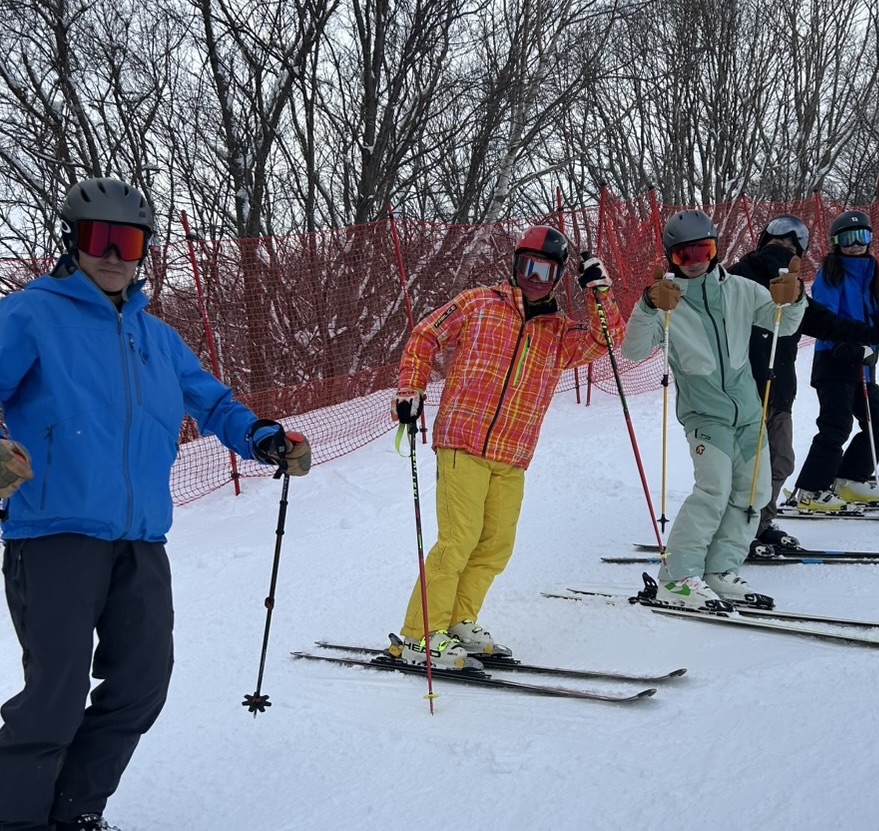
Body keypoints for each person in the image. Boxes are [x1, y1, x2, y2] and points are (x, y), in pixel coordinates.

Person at [0, 177, 311, 831]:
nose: (113, 252)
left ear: (143, 250)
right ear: (73, 242)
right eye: (98, 237)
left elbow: (214, 401)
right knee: (54, 697)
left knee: (142, 684)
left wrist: (260, 435)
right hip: (54, 532)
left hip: (140, 538)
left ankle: (74, 811)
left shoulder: (159, 339)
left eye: (128, 239)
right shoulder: (31, 314)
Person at [388, 226, 624, 669]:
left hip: (512, 453)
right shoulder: (480, 303)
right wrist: (410, 389)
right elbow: (425, 335)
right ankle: (419, 633)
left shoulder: (558, 332)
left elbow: (606, 341)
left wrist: (599, 293)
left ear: (557, 276)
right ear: (515, 266)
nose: (534, 277)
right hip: (462, 441)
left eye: (546, 270)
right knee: (457, 541)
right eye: (527, 266)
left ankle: (459, 621)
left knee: (495, 546)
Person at [622, 209, 806, 611]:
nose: (696, 262)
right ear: (672, 258)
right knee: (713, 491)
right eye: (684, 256)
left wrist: (794, 297)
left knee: (753, 494)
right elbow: (632, 351)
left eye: (704, 250)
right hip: (706, 415)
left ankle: (720, 571)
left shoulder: (740, 289)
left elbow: (784, 323)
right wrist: (648, 305)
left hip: (748, 412)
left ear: (717, 249)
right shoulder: (669, 301)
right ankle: (678, 578)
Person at [728, 215, 879, 539]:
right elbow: (826, 321)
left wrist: (873, 330)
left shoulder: (793, 288)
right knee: (765, 462)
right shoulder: (739, 279)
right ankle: (742, 530)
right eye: (779, 244)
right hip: (749, 387)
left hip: (777, 388)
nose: (783, 251)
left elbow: (824, 320)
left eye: (791, 245)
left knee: (778, 461)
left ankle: (754, 528)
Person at [792, 210, 879, 511]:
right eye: (848, 239)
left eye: (862, 237)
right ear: (836, 243)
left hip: (863, 367)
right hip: (835, 363)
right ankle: (810, 491)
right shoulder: (832, 273)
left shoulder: (870, 273)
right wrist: (844, 346)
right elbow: (822, 317)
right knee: (836, 427)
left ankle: (849, 479)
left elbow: (872, 316)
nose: (855, 245)